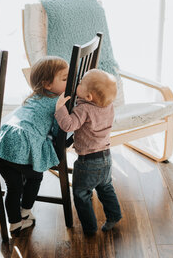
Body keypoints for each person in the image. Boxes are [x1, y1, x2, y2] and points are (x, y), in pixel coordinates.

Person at [0, 56, 68, 234]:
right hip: (23, 143)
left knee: (13, 187)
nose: (70, 82)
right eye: (65, 79)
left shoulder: (32, 96)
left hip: (2, 141)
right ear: (47, 85)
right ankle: (25, 212)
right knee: (35, 177)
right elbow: (59, 129)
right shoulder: (57, 103)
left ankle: (14, 223)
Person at [55, 69, 122, 235]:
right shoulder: (109, 106)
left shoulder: (84, 109)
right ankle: (114, 215)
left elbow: (69, 125)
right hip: (106, 157)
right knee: (106, 188)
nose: (77, 84)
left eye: (80, 83)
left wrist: (60, 108)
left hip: (87, 163)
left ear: (89, 97)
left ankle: (90, 228)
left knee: (81, 194)